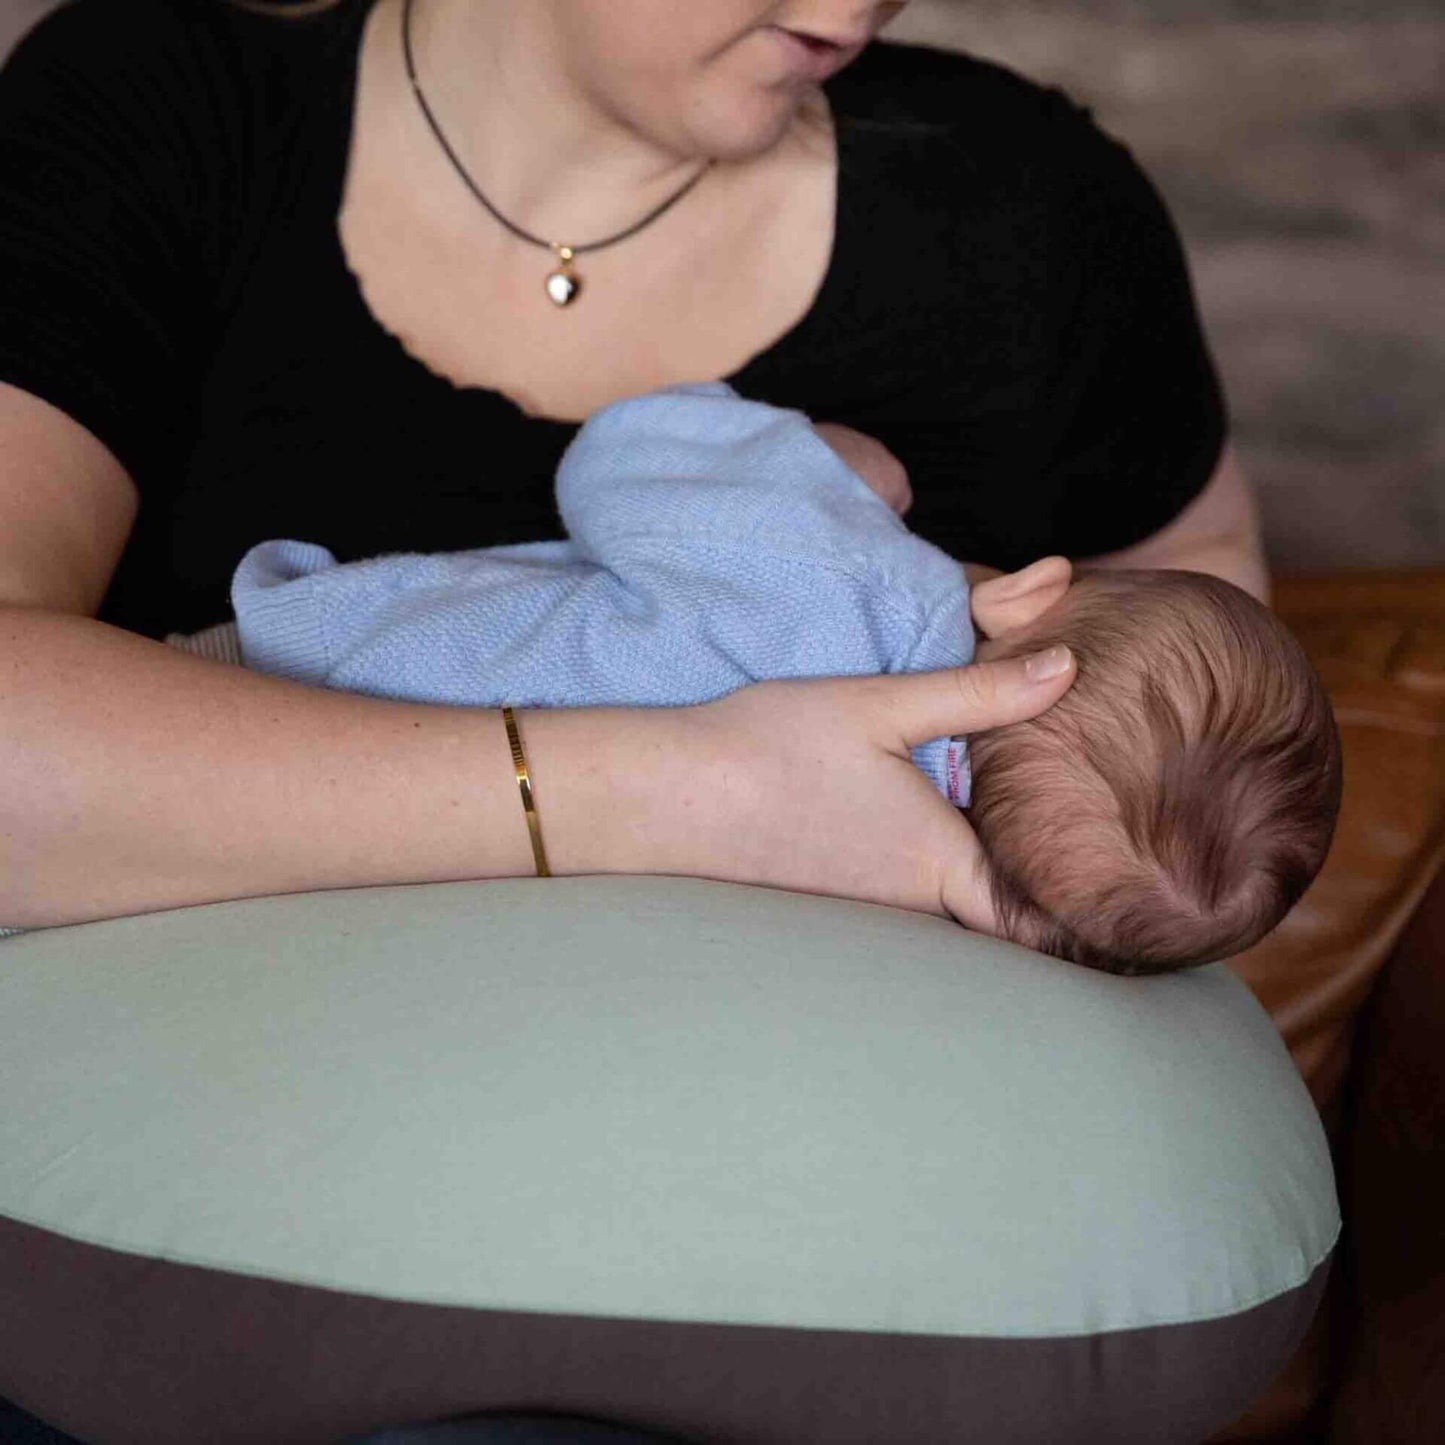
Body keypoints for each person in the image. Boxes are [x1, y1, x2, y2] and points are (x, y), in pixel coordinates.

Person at [0, 0, 1272, 1436]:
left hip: (804, 1272)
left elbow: (1211, 674)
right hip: (212, 1205)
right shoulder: (160, 109)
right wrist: (691, 795)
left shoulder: (1032, 214)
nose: (848, 8)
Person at [174, 382, 1339, 975]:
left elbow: (620, 458)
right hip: (377, 891)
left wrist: (814, 462)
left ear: (1033, 593)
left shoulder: (832, 567)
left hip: (296, 673)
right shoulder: (881, 872)